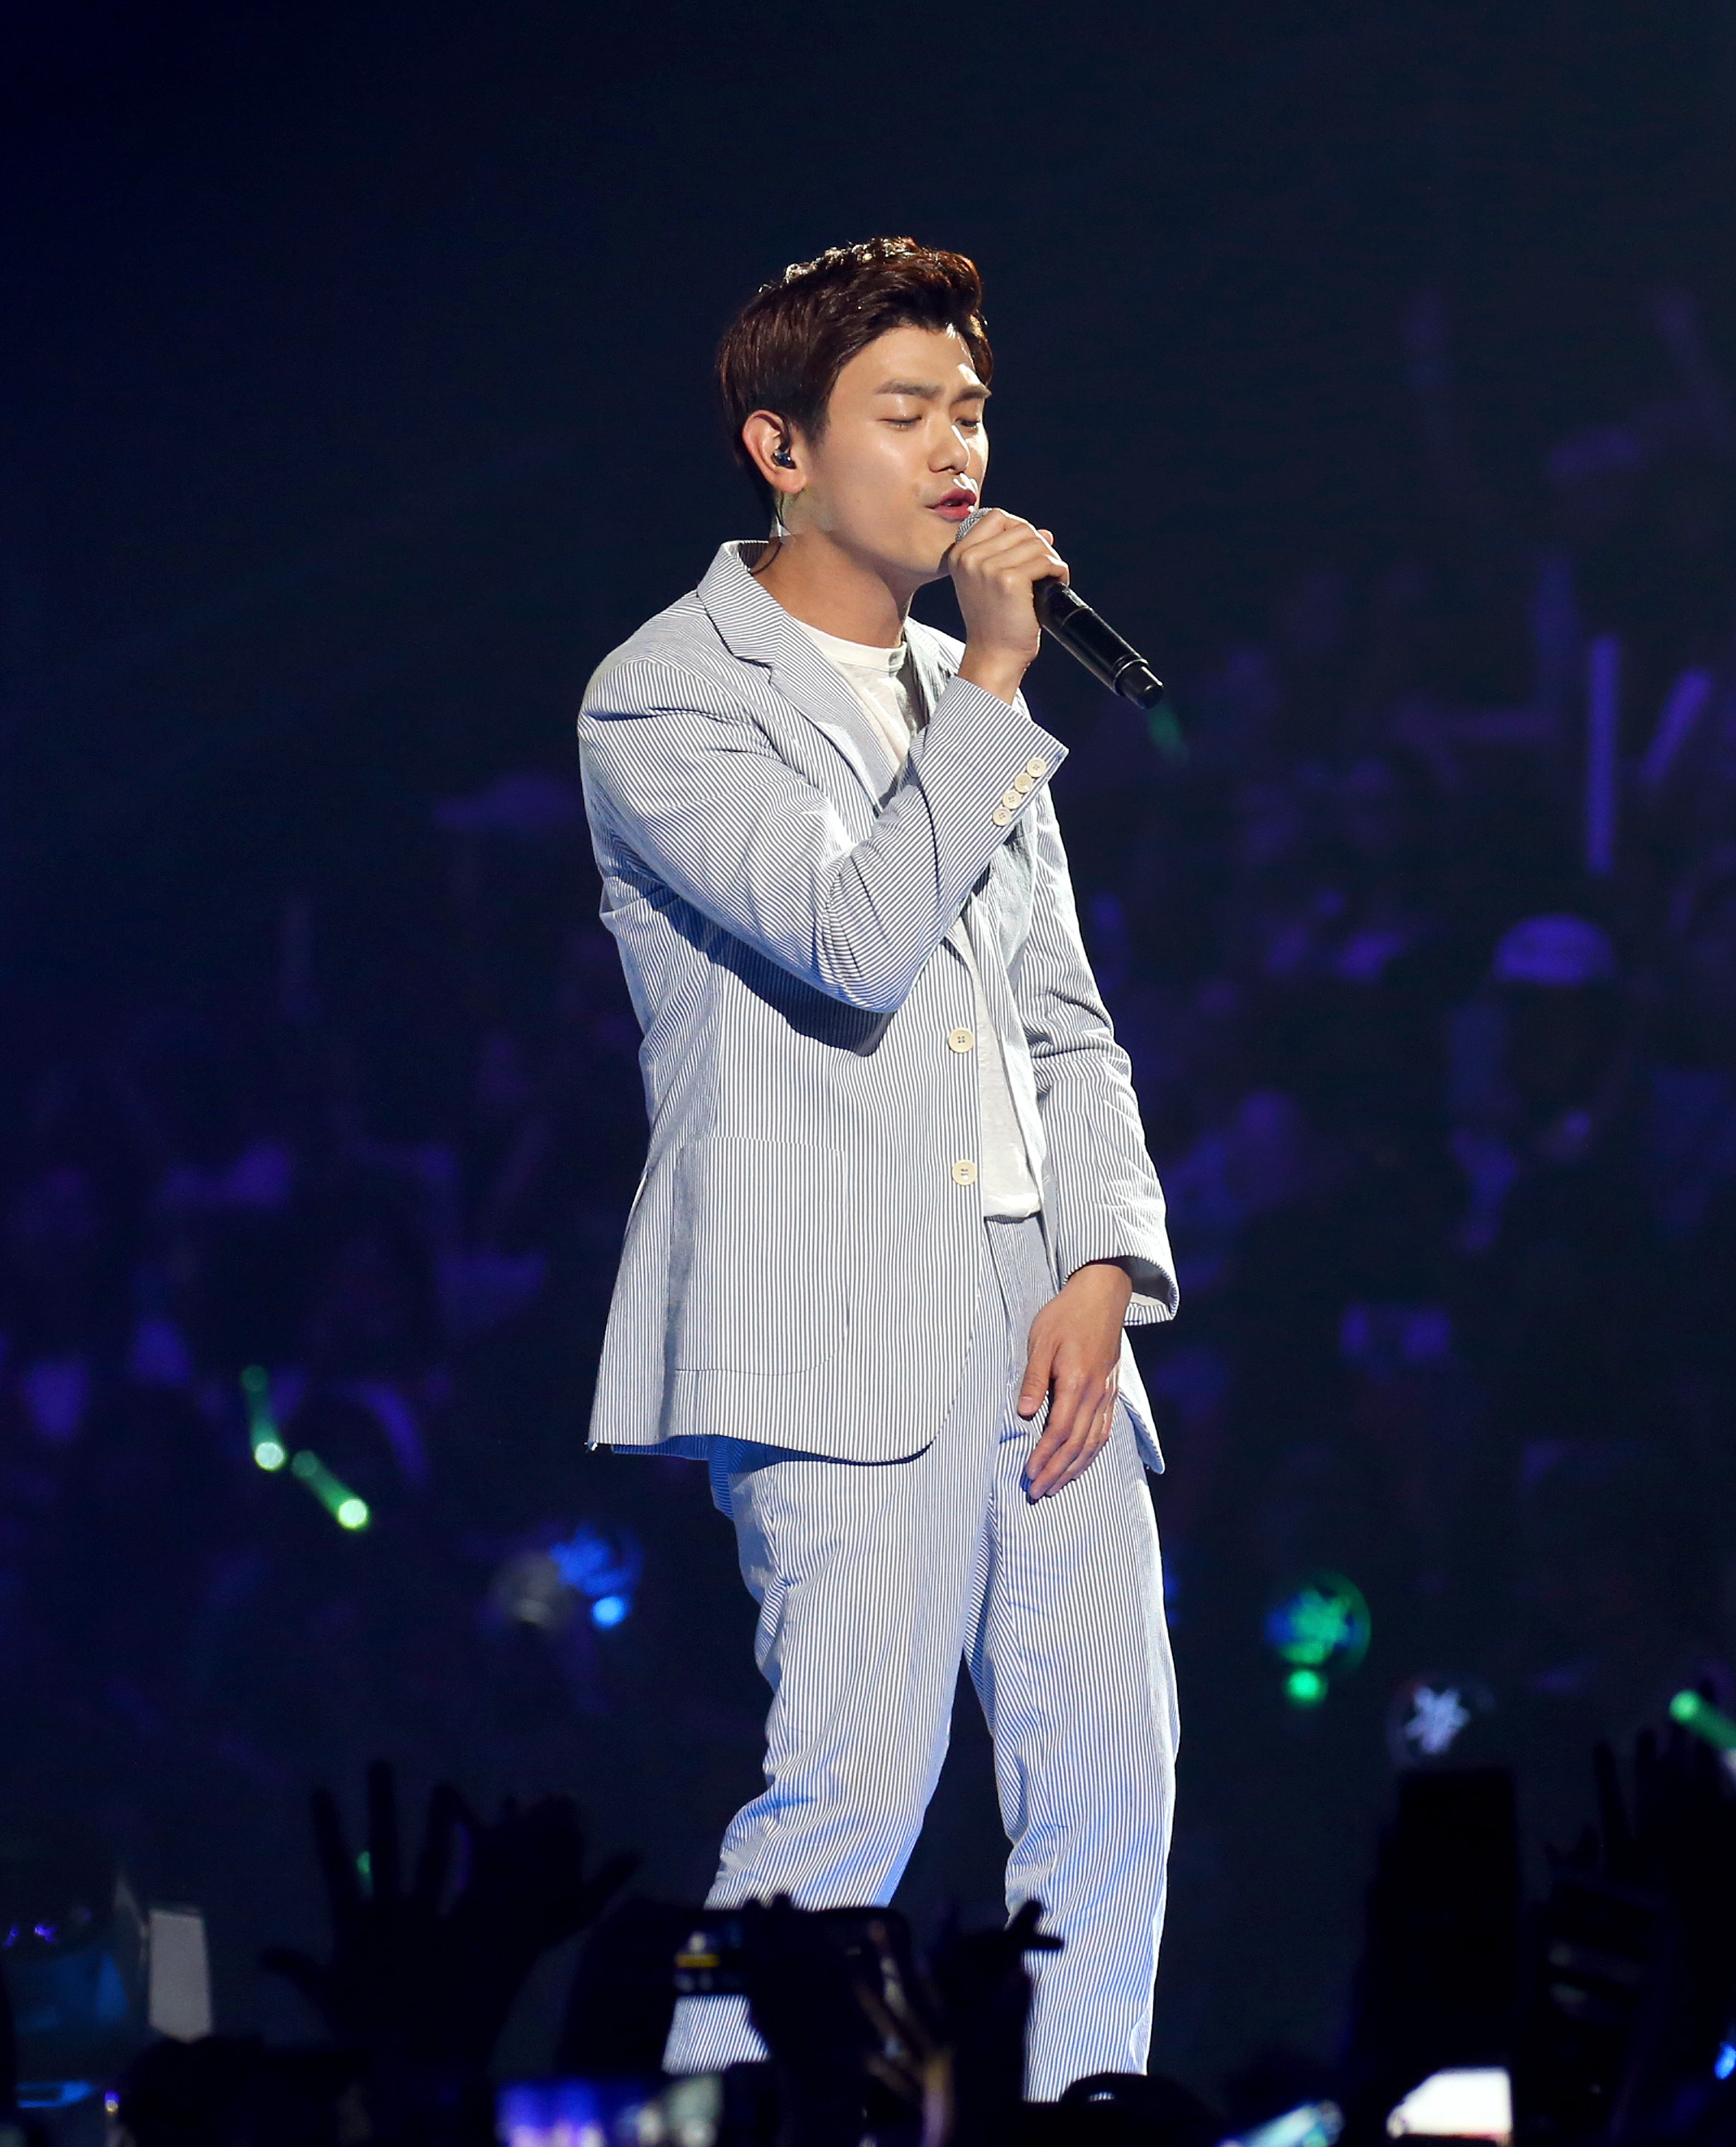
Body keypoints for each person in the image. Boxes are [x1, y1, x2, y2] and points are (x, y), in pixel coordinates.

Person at [574, 237, 1179, 2097]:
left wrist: (1103, 1266)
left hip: (1041, 1315)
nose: (957, 453)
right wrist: (995, 692)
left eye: (972, 412)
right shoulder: (666, 698)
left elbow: (1065, 1021)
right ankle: (716, 2134)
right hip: (838, 1329)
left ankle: (1087, 2128)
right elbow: (848, 945)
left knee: (1111, 1792)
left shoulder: (967, 688)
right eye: (905, 414)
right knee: (848, 1800)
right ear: (780, 446)